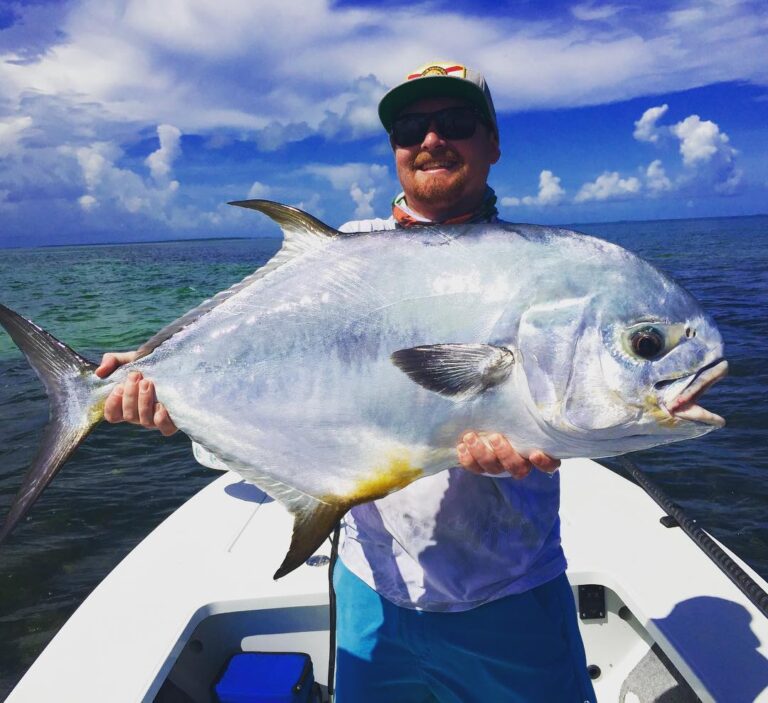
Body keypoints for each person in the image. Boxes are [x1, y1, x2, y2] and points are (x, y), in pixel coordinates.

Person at [96, 62, 596, 702]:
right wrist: (152, 374)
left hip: (511, 594)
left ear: (493, 143)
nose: (431, 139)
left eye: (457, 122)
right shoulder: (341, 254)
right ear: (394, 151)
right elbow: (255, 355)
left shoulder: (538, 268)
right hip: (371, 590)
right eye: (411, 127)